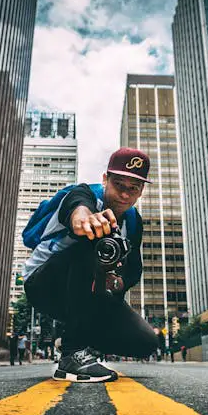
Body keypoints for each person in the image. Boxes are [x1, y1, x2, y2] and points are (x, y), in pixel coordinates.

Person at [23, 147, 157, 382]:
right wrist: (84, 219)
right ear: (105, 179)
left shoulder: (134, 221)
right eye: (119, 185)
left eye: (133, 188)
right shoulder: (83, 194)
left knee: (145, 341)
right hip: (45, 285)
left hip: (91, 296)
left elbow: (134, 270)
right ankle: (72, 355)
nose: (125, 195)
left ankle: (78, 336)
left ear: (141, 192)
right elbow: (77, 209)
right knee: (95, 241)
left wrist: (118, 283)